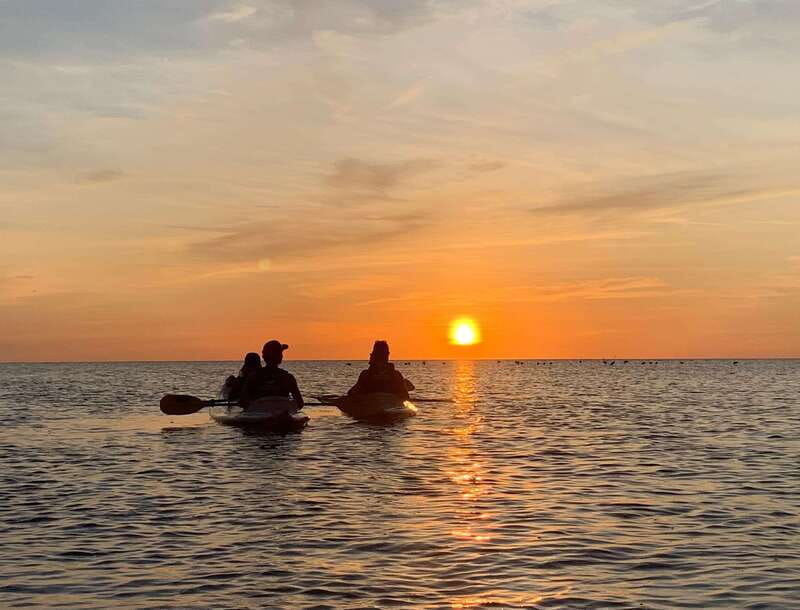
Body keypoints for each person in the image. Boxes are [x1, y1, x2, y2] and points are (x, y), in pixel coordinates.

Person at [240, 340, 304, 409]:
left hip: (258, 413)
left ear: (264, 357)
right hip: (283, 415)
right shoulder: (288, 377)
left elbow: (243, 402)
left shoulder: (253, 376)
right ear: (280, 357)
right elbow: (300, 403)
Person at [347, 340, 414, 400]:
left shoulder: (395, 375)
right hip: (377, 405)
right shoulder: (366, 375)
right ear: (387, 355)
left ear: (373, 355)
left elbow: (351, 393)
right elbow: (406, 397)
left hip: (380, 406)